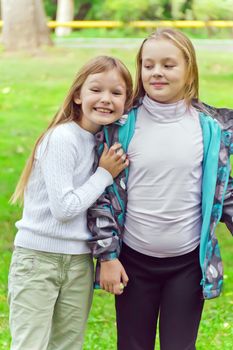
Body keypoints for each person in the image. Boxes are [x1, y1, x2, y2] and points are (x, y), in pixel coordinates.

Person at [87, 29, 233, 350]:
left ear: (189, 69)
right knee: (132, 344)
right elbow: (102, 196)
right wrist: (108, 257)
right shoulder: (121, 126)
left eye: (169, 65)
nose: (157, 72)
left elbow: (225, 191)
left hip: (186, 263)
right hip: (133, 262)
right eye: (148, 65)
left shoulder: (211, 128)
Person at [8, 55, 133, 350]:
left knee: (68, 345)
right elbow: (64, 210)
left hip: (79, 261)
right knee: (30, 344)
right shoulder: (63, 138)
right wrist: (104, 174)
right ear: (78, 95)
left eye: (116, 93)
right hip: (38, 259)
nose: (105, 99)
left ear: (127, 102)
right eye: (96, 90)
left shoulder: (102, 143)